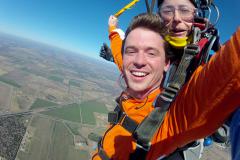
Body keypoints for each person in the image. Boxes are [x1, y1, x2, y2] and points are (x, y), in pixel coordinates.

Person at [92, 13, 240, 160]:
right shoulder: (133, 72)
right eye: (131, 51)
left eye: (151, 53)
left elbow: (231, 66)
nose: (138, 61)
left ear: (166, 63)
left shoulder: (171, 118)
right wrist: (112, 29)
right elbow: (119, 53)